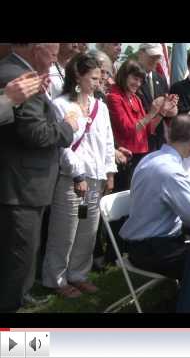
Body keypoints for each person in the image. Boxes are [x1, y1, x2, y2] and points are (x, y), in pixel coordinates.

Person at [0, 44, 78, 312]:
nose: (56, 57)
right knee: (16, 261)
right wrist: (67, 126)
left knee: (22, 257)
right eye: (53, 52)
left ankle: (20, 298)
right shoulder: (18, 78)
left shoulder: (20, 72)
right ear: (36, 49)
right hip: (21, 187)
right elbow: (36, 134)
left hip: (24, 185)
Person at [42, 53, 117, 298]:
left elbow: (108, 142)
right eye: (94, 78)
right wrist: (77, 175)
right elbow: (62, 145)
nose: (98, 82)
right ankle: (56, 279)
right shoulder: (61, 104)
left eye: (101, 77)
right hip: (71, 180)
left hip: (96, 179)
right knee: (65, 231)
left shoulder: (101, 107)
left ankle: (78, 274)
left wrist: (109, 172)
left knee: (87, 231)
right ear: (78, 76)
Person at [119, 114, 190, 280]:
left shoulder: (151, 157)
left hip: (143, 244)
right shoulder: (172, 171)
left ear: (169, 134)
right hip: (152, 249)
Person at [106, 59, 174, 192]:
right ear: (124, 75)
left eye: (140, 80)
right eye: (135, 78)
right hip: (126, 158)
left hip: (142, 156)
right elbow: (128, 129)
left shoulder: (135, 98)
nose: (138, 84)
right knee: (124, 197)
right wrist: (151, 113)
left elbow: (149, 129)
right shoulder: (114, 97)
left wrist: (162, 112)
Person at [136, 43, 176, 152]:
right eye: (152, 56)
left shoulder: (160, 78)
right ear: (140, 54)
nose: (155, 60)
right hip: (138, 139)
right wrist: (159, 109)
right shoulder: (131, 78)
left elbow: (167, 110)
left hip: (158, 139)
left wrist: (171, 106)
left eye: (158, 57)